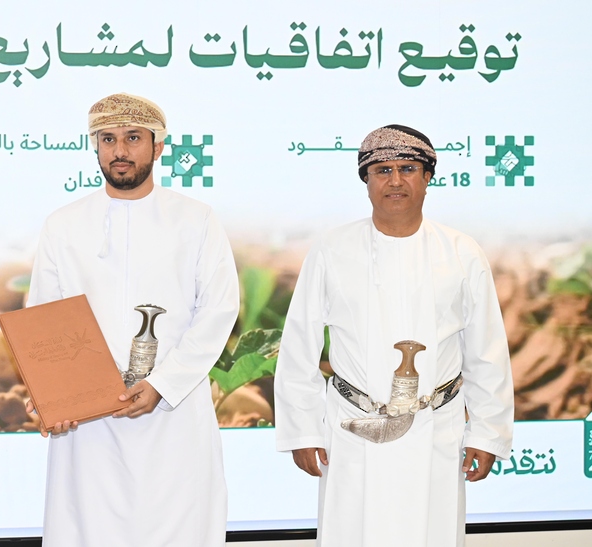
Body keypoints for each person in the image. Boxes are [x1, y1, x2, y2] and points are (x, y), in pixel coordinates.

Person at [274, 125, 514, 547]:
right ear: (366, 180)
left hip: (436, 429)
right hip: (354, 430)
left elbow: (486, 350)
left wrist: (488, 432)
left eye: (408, 168)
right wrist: (303, 431)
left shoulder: (461, 251)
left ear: (427, 177)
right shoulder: (332, 249)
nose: (395, 180)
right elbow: (299, 345)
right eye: (383, 170)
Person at [26, 93, 239, 547]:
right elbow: (43, 318)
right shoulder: (62, 225)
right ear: (95, 147)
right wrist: (50, 394)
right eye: (108, 139)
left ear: (158, 147)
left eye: (133, 138)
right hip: (88, 424)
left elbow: (218, 310)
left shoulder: (196, 220)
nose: (119, 151)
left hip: (173, 416)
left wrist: (163, 384)